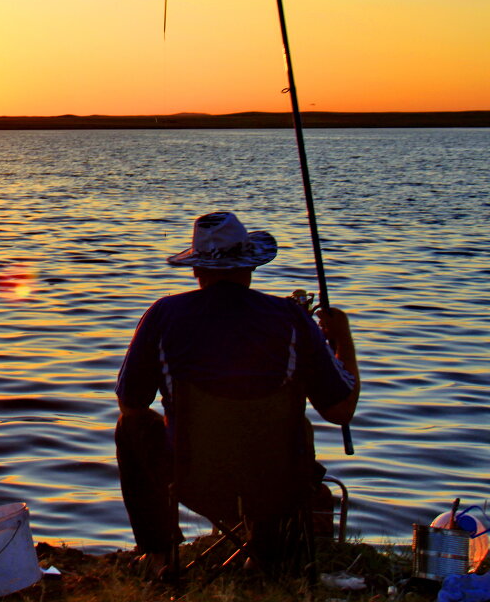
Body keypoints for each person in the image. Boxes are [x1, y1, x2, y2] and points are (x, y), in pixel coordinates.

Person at [114, 211, 359, 574]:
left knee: (131, 428)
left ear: (196, 270)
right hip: (277, 485)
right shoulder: (293, 319)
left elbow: (131, 403)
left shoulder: (164, 314)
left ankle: (159, 554)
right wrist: (342, 338)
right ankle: (264, 551)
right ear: (250, 267)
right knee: (293, 436)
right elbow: (341, 411)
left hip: (192, 480)